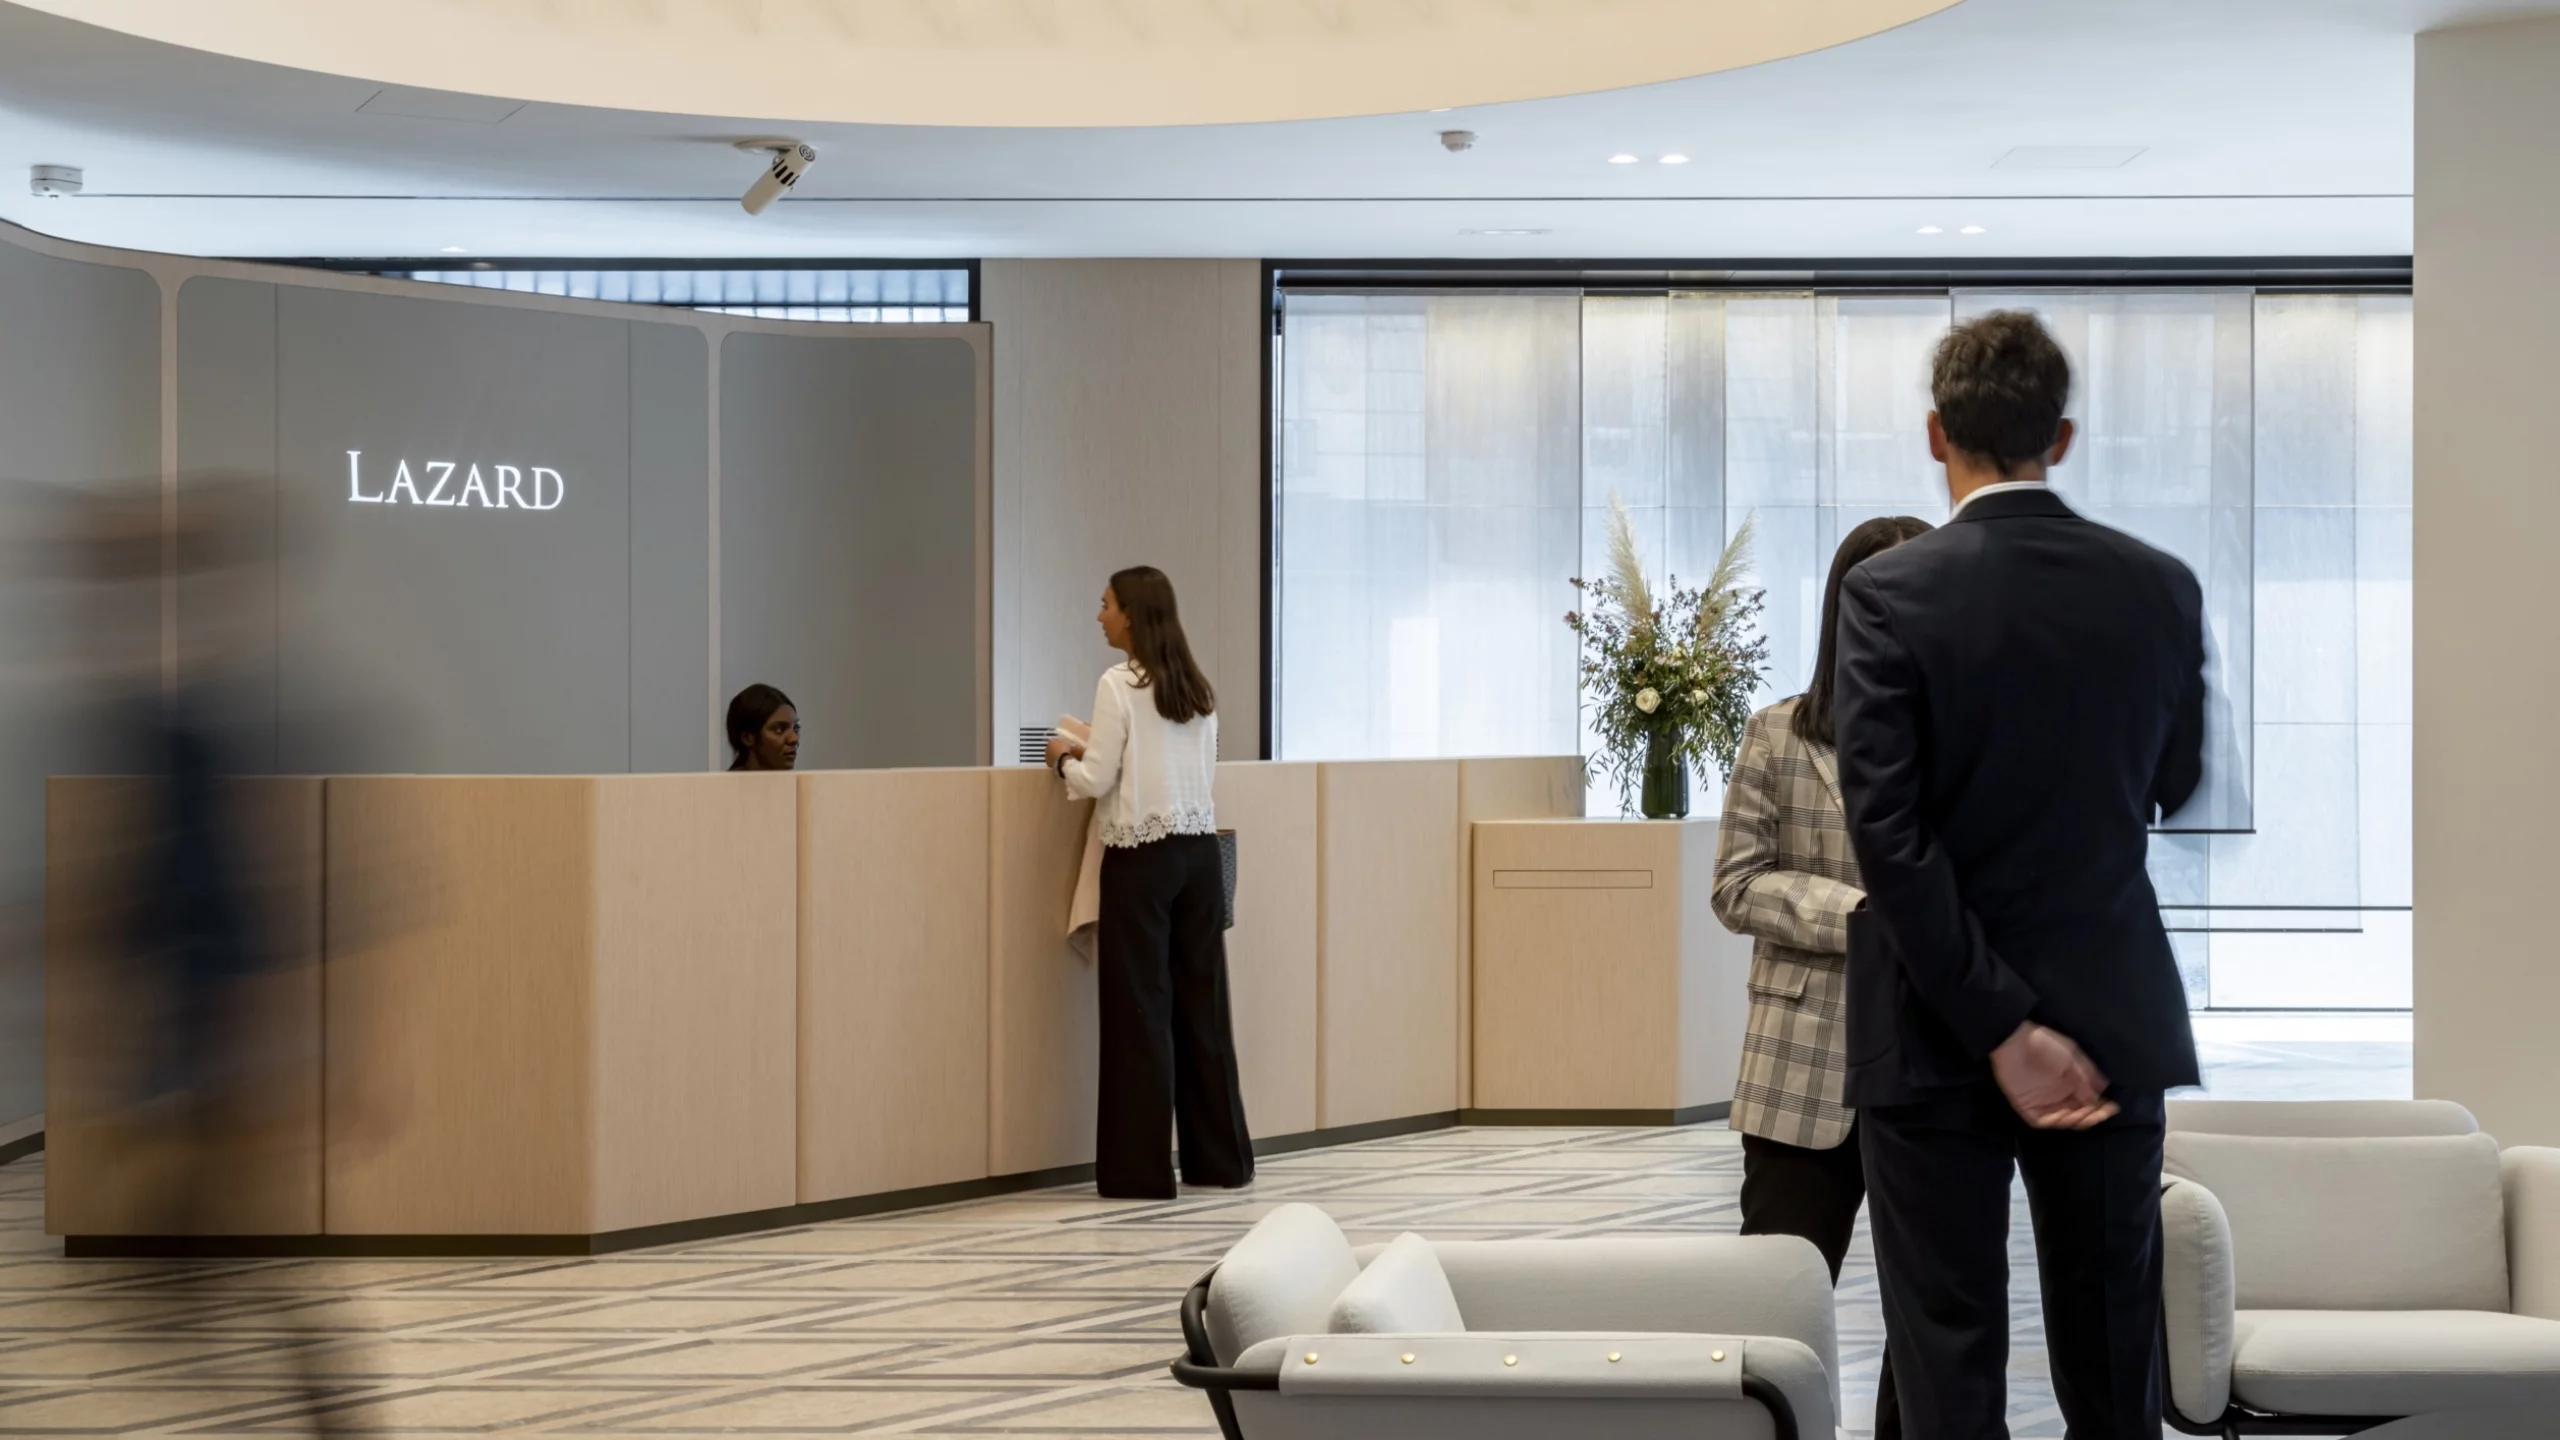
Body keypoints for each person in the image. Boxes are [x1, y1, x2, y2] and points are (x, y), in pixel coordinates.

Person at [1831, 310, 2205, 1439]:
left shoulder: (1888, 593)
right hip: (2108, 1017)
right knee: (2112, 1351)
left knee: (1946, 1355)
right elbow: (2174, 785)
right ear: (2066, 435)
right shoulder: (2159, 586)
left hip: (1934, 1028)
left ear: (1936, 434)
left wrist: (2001, 1027)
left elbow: (1885, 839)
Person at [1711, 514, 1931, 1440]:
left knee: (1929, 1317)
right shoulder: (1777, 735)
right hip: (1802, 1069)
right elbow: (1736, 886)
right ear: (1847, 609)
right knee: (1777, 1307)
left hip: (1930, 1065)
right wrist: (1860, 916)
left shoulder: (1965, 733)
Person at [1045, 566, 1253, 1199]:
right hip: (1198, 857)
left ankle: (1139, 1172)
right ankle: (1221, 1163)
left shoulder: (1119, 684)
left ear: (1132, 614)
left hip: (1141, 859)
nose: (1099, 615)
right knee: (1204, 1011)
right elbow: (1202, 774)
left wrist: (1059, 759)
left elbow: (1097, 778)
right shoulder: (1198, 689)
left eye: (1106, 605)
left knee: (1140, 1015)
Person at [724, 684, 800, 771]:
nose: (794, 739)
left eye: (796, 728)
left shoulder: (800, 783)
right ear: (747, 738)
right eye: (779, 730)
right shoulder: (722, 784)